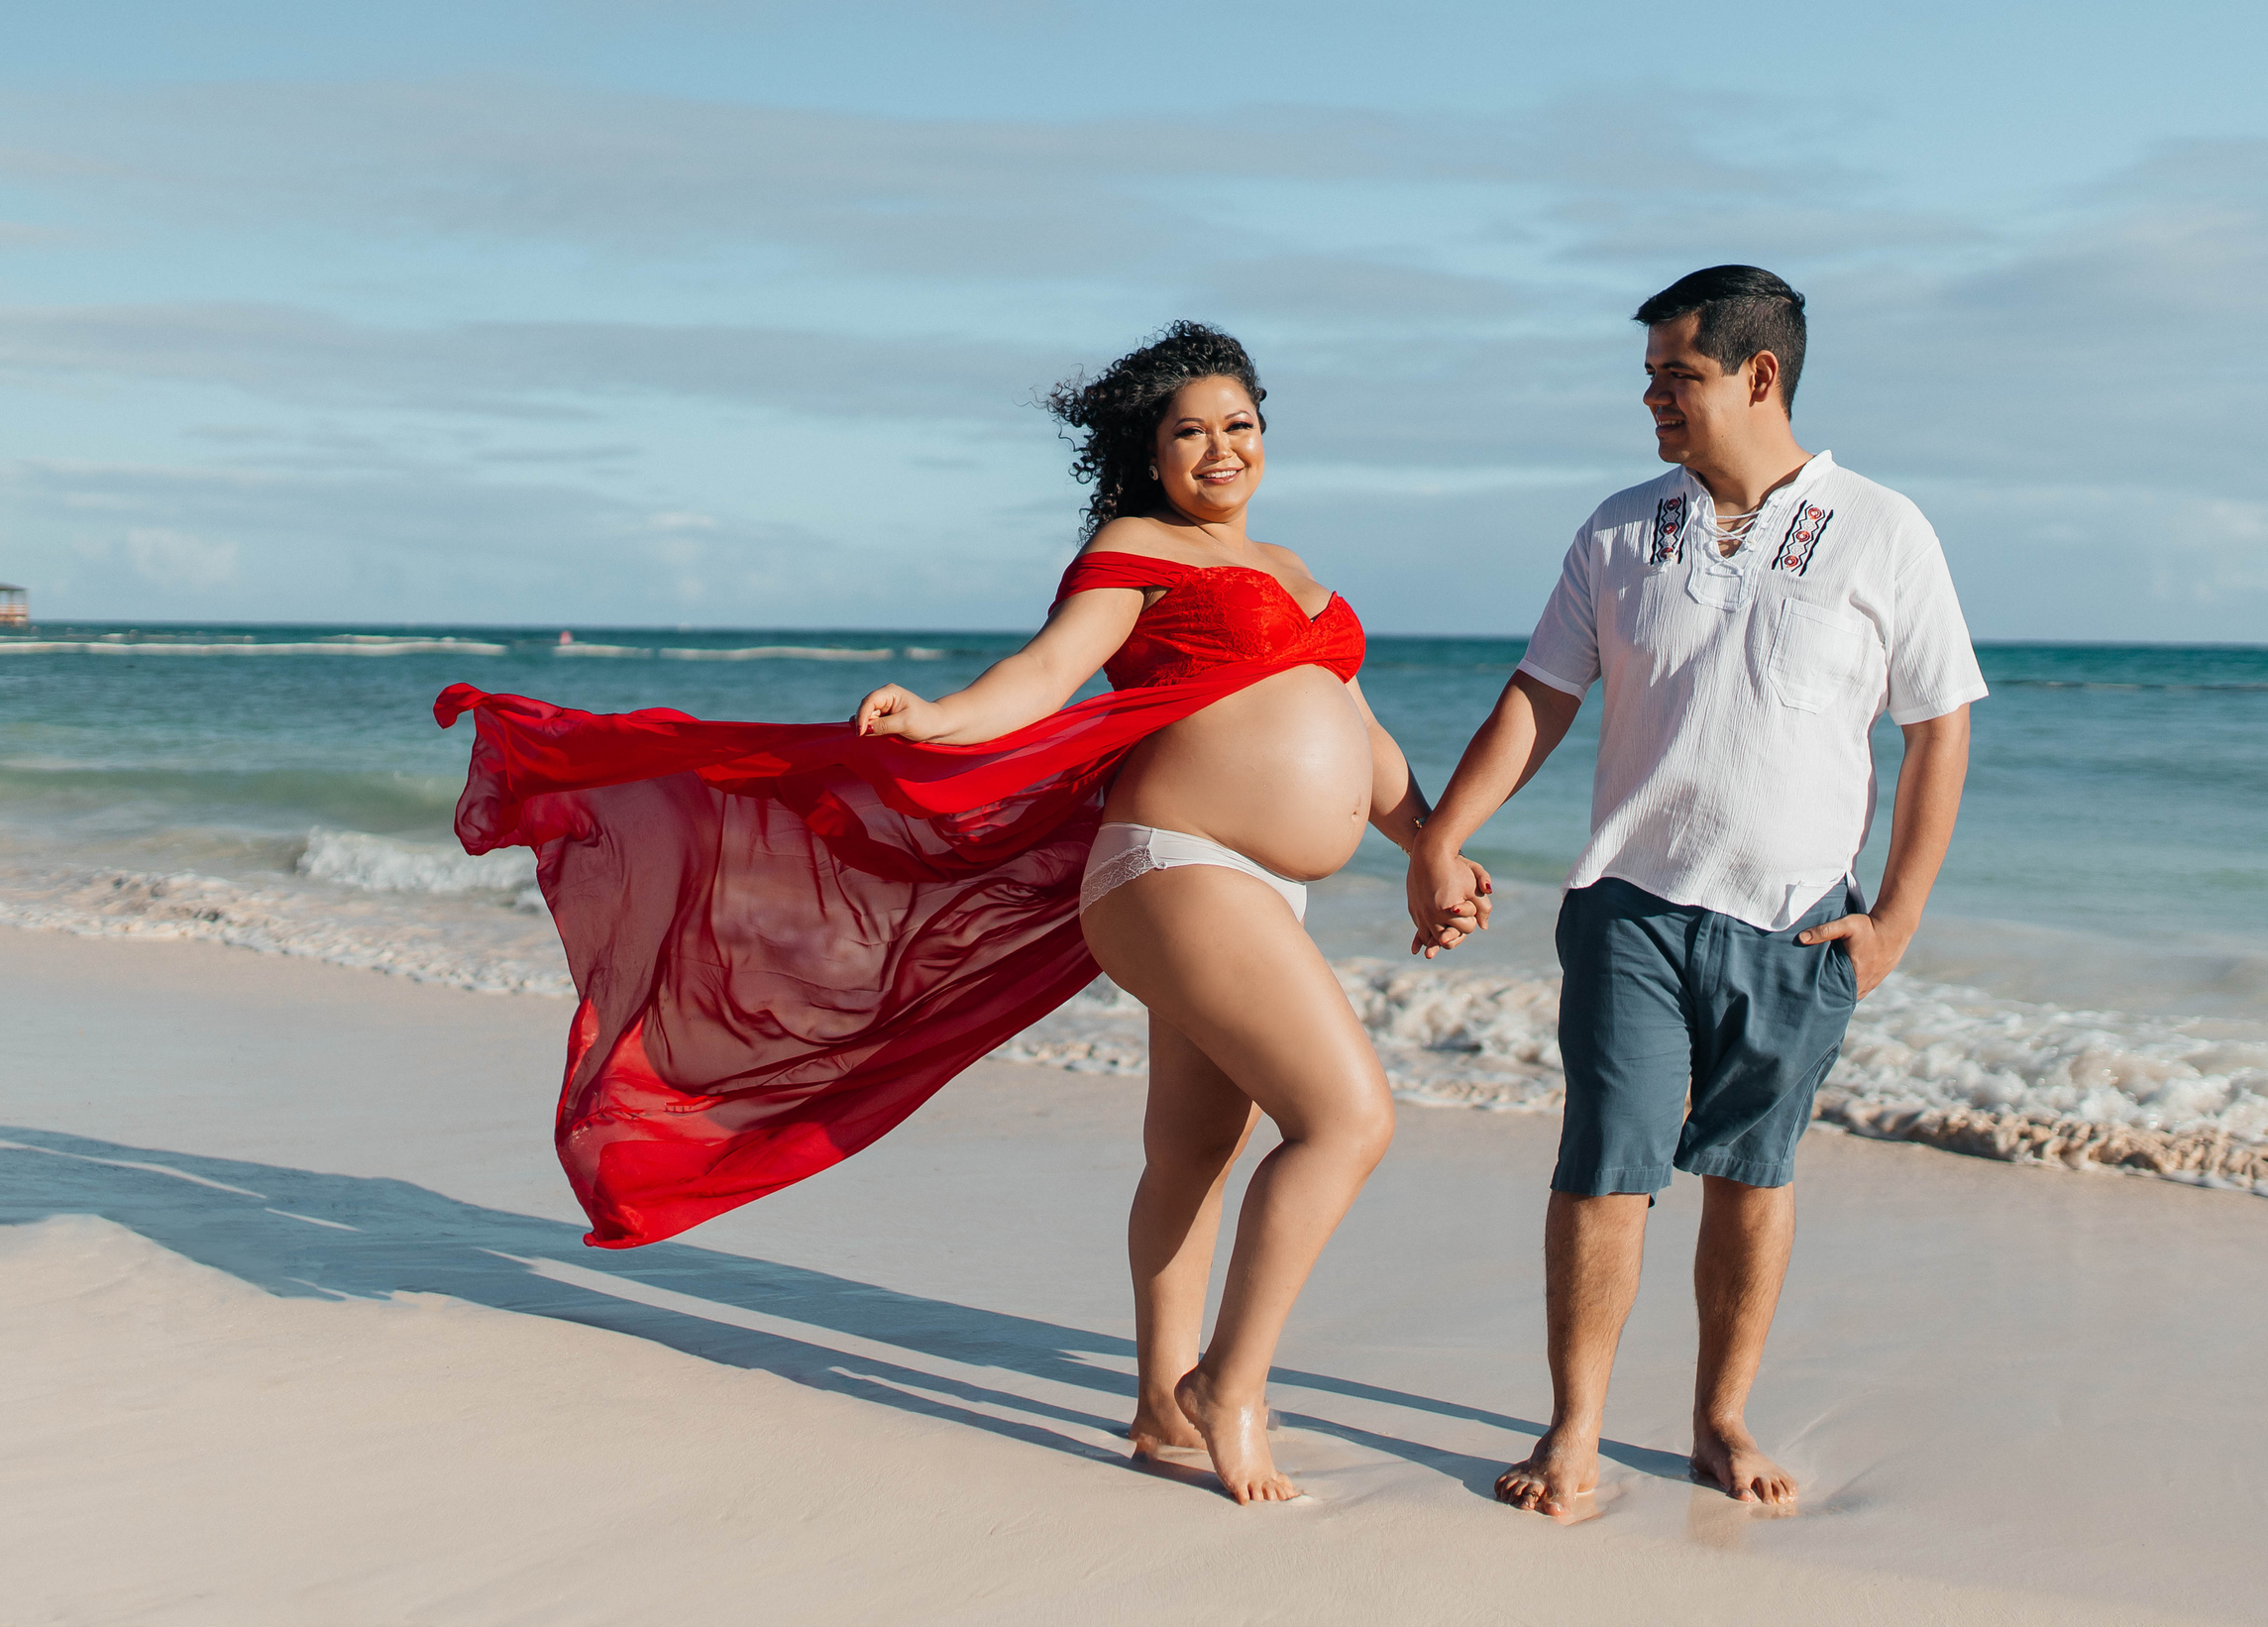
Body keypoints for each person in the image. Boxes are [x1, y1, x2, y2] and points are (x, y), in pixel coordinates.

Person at [437, 322, 1484, 1506]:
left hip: (1254, 886)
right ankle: (1225, 1388)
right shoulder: (1135, 545)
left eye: (1238, 425)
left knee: (1196, 1148)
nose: (1218, 448)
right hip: (1176, 862)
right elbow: (1046, 673)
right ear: (1148, 454)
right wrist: (941, 719)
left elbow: (1361, 733)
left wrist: (1429, 844)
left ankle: (1155, 1402)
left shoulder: (1299, 569)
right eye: (1188, 431)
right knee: (1347, 1119)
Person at [1406, 267, 1985, 1518]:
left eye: (1679, 375)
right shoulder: (1618, 528)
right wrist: (1440, 835)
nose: (1653, 399)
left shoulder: (1885, 530)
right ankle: (1573, 1430)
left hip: (1797, 919)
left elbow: (1939, 728)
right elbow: (1540, 698)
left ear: (1758, 376)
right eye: (1652, 377)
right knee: (1604, 1162)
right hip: (1631, 906)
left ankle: (1720, 1418)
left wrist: (1894, 920)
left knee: (1752, 1171)